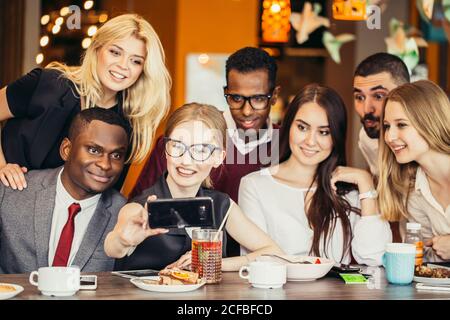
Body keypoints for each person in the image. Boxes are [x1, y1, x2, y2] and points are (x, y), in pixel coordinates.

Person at [129, 47, 281, 256]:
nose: (247, 110)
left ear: (274, 97)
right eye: (236, 98)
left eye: (258, 99)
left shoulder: (286, 144)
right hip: (180, 260)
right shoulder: (185, 138)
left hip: (249, 264)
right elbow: (139, 207)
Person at [0, 14, 171, 191]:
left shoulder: (129, 123)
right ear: (97, 49)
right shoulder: (48, 84)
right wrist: (2, 166)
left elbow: (106, 196)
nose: (123, 65)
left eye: (136, 61)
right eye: (115, 52)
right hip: (8, 196)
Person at [104, 103, 284, 271]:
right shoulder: (139, 207)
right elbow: (113, 247)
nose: (186, 160)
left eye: (201, 150)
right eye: (177, 146)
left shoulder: (222, 205)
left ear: (218, 158)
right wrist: (123, 240)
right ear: (165, 149)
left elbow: (274, 253)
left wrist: (215, 262)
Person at [239, 84, 392, 266]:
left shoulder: (350, 190)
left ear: (336, 137)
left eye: (324, 132)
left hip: (335, 295)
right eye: (302, 128)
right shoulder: (255, 185)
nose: (310, 141)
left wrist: (366, 184)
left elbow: (374, 257)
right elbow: (257, 262)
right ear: (289, 126)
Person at [0, 108, 130, 273]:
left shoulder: (124, 214)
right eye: (94, 150)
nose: (105, 164)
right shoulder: (12, 192)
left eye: (116, 155)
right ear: (66, 150)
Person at [378, 80, 450, 262]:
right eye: (387, 126)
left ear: (430, 122)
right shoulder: (412, 192)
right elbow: (427, 261)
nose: (390, 137)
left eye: (401, 125)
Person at [353, 52, 410, 176]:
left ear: (406, 94)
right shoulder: (366, 138)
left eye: (378, 96)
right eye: (359, 97)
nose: (367, 109)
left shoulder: (428, 142)